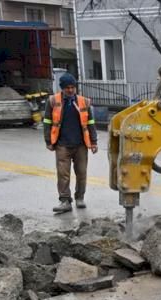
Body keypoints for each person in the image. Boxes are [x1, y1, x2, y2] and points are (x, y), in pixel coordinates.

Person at [43, 73, 98, 214]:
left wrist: (94, 141)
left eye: (73, 87)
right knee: (63, 174)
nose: (70, 90)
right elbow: (47, 122)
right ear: (62, 88)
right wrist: (48, 141)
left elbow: (90, 123)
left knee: (81, 173)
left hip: (81, 145)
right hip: (62, 145)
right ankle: (65, 201)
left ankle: (80, 198)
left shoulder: (84, 102)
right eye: (67, 87)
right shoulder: (52, 101)